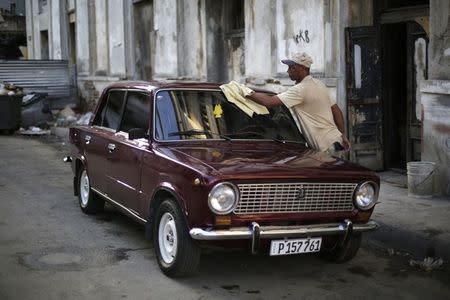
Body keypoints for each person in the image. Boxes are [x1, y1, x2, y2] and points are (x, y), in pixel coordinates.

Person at [246, 52, 350, 155]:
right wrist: (342, 134)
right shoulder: (319, 84)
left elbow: (269, 102)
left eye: (292, 67)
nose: (288, 71)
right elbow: (336, 110)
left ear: (302, 68)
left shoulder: (300, 90)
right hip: (337, 141)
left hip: (326, 147)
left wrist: (244, 91)